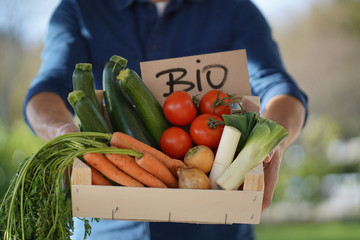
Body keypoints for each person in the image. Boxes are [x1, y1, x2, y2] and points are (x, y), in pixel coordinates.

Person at [24, 0, 308, 239]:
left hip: (216, 228)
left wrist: (274, 143)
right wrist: (62, 132)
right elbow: (46, 89)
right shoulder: (80, 8)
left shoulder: (233, 7)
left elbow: (278, 86)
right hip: (108, 228)